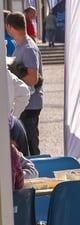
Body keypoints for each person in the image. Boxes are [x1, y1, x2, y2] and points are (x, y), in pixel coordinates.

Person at [6, 11, 43, 155]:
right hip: (26, 104)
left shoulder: (28, 48)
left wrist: (14, 74)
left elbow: (33, 79)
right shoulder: (20, 46)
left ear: (9, 27)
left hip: (30, 104)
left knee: (30, 146)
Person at [7, 65, 31, 155]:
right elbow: (24, 92)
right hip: (11, 125)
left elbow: (24, 92)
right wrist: (14, 117)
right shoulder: (6, 73)